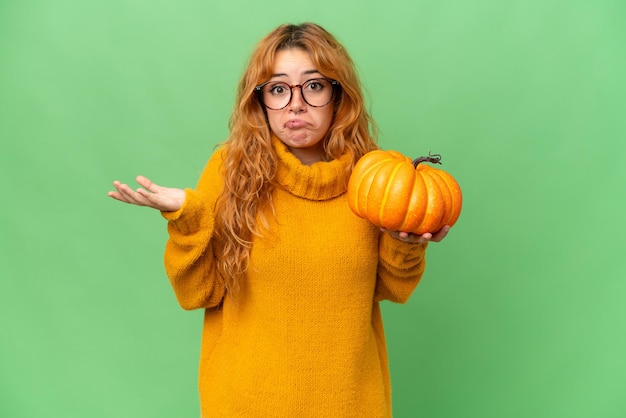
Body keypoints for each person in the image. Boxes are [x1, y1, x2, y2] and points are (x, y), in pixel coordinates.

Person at [108, 22, 450, 417]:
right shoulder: (230, 170)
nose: (296, 104)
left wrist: (406, 242)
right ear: (261, 101)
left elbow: (393, 288)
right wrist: (187, 219)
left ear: (338, 95)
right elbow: (197, 294)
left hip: (349, 403)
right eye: (278, 89)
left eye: (314, 86)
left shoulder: (375, 178)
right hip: (247, 402)